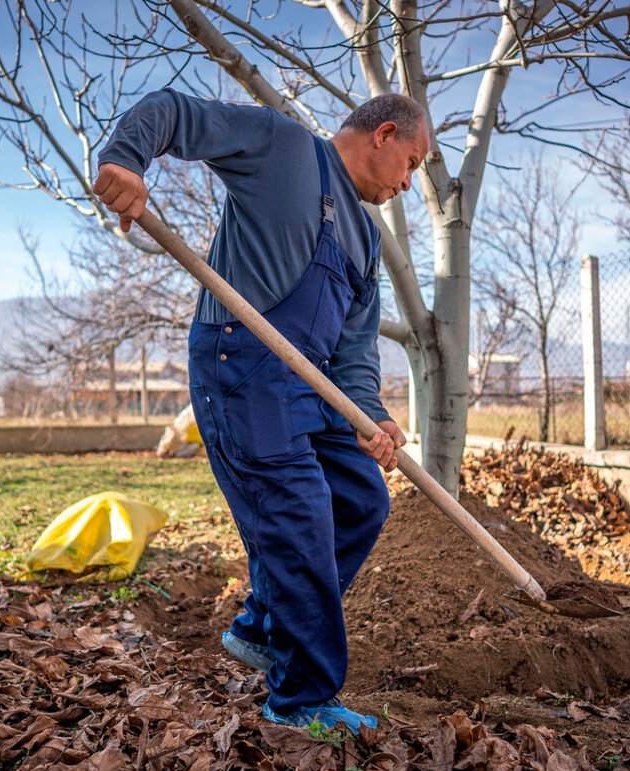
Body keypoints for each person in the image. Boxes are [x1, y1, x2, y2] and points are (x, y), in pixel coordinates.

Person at [93, 89, 429, 734]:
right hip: (243, 362)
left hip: (313, 382)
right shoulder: (283, 147)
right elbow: (175, 112)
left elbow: (355, 351)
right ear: (384, 134)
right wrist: (128, 159)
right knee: (298, 512)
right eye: (411, 163)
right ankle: (299, 701)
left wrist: (371, 416)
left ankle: (260, 627)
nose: (410, 184)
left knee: (362, 497)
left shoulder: (366, 239)